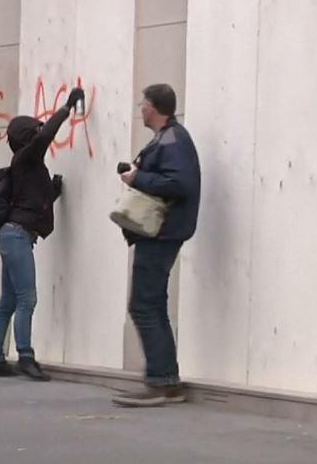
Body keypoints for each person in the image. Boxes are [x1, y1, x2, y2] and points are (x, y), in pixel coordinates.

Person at [0, 87, 83, 381]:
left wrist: (52, 191)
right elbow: (44, 137)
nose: (41, 131)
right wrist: (65, 108)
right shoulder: (26, 158)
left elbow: (30, 203)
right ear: (28, 136)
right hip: (17, 237)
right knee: (27, 298)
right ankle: (26, 357)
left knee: (9, 300)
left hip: (11, 235)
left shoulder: (27, 166)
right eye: (35, 129)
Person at [112, 84, 201, 407]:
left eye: (143, 104)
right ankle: (165, 379)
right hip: (159, 232)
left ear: (154, 107)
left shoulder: (173, 139)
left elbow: (180, 184)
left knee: (144, 305)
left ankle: (162, 382)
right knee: (151, 305)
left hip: (162, 232)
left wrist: (138, 179)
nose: (141, 109)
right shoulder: (168, 139)